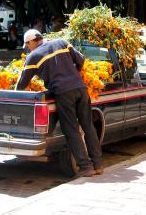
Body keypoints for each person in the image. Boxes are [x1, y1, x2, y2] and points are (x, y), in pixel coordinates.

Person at [15, 29, 103, 177]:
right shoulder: (61, 42)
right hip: (81, 88)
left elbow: (21, 84)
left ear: (31, 42)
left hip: (64, 93)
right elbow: (81, 60)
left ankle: (86, 167)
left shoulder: (33, 56)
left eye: (27, 45)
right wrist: (73, 76)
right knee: (88, 126)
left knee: (71, 130)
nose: (27, 48)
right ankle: (98, 164)